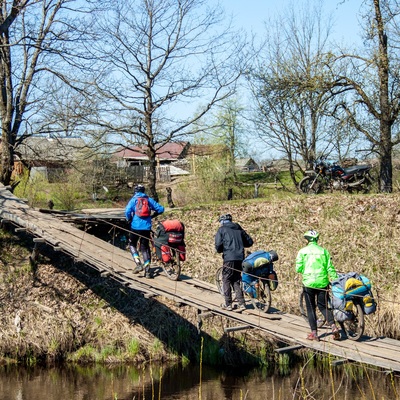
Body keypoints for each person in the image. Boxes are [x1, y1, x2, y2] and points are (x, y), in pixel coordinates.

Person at [296, 230, 340, 341]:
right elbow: (330, 267)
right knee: (323, 306)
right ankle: (333, 327)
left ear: (307, 240)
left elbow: (298, 268)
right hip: (322, 283)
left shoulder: (302, 252)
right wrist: (336, 280)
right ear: (317, 239)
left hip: (309, 284)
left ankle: (314, 333)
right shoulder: (324, 251)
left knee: (311, 308)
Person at [215, 214, 253, 311]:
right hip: (240, 257)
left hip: (229, 258)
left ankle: (228, 304)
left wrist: (222, 249)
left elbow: (218, 245)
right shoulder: (238, 228)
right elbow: (249, 242)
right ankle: (242, 303)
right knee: (236, 278)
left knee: (226, 279)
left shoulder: (222, 230)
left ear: (222, 222)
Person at [125, 184, 164, 278]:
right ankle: (147, 271)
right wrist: (152, 216)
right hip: (146, 227)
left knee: (132, 244)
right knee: (145, 248)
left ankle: (138, 264)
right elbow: (161, 209)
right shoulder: (148, 200)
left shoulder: (133, 199)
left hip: (135, 227)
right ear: (143, 191)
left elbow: (127, 211)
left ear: (135, 191)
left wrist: (129, 219)